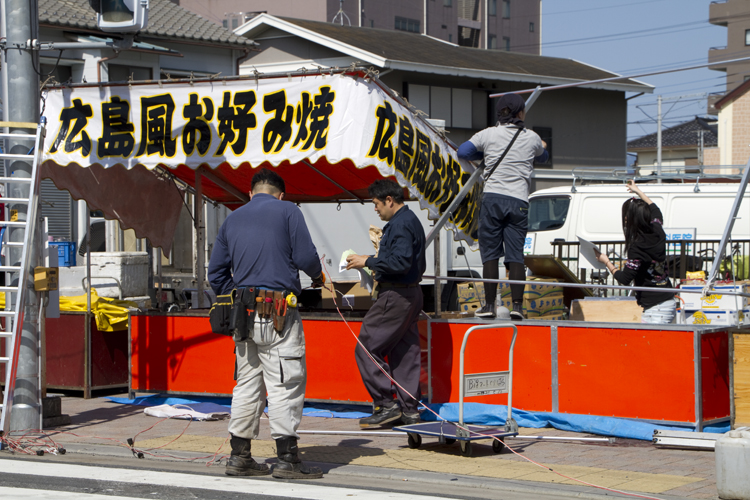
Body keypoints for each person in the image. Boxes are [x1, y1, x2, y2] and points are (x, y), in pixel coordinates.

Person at [208, 168, 326, 479]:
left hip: (242, 316)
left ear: (250, 193)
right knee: (285, 381)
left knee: (247, 383)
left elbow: (216, 273)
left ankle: (239, 455)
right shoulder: (288, 211)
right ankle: (287, 459)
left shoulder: (232, 218)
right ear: (281, 194)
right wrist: (317, 276)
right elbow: (305, 256)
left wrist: (235, 297)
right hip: (278, 312)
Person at [457, 93, 548, 320]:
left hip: (493, 199)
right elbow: (544, 156)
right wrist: (543, 146)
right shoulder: (532, 138)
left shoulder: (488, 134)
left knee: (490, 254)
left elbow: (463, 152)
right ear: (519, 113)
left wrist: (485, 154)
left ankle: (489, 306)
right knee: (515, 254)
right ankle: (517, 306)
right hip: (519, 201)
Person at [345, 179, 426, 428]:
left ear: (390, 200)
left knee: (367, 347)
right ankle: (409, 409)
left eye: (377, 204)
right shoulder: (408, 221)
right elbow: (400, 260)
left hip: (396, 296)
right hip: (411, 295)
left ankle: (386, 404)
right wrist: (370, 260)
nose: (376, 209)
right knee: (404, 352)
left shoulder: (400, 225)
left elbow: (399, 263)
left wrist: (367, 262)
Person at [595, 180, 676, 324]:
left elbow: (624, 279)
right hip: (667, 301)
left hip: (655, 309)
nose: (624, 219)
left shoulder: (637, 247)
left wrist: (606, 261)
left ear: (631, 219)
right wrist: (638, 191)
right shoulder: (657, 230)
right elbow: (655, 209)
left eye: (626, 216)